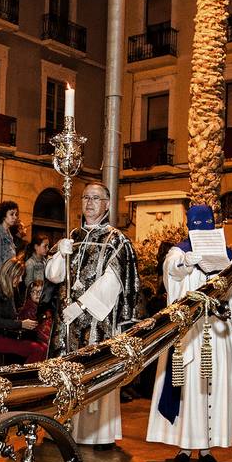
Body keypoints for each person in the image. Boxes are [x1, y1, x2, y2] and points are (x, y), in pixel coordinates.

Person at [146, 204, 232, 462]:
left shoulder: (228, 255)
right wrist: (184, 265)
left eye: (207, 224)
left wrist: (228, 306)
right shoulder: (180, 251)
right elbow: (170, 271)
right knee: (189, 389)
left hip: (217, 334)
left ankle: (208, 448)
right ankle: (185, 447)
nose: (202, 229)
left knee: (213, 388)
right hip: (190, 334)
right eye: (196, 225)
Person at [44, 180, 140, 447]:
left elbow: (113, 282)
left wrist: (82, 306)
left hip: (97, 319)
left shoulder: (116, 240)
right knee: (66, 371)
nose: (89, 203)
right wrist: (57, 256)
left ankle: (98, 434)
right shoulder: (71, 236)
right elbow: (54, 278)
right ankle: (62, 426)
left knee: (94, 371)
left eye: (96, 198)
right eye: (86, 197)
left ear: (107, 205)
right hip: (67, 323)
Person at [0, 257, 47, 364]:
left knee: (43, 348)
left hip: (5, 334)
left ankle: (29, 376)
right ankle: (24, 377)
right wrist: (21, 324)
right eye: (19, 276)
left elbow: (13, 316)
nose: (21, 280)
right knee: (36, 349)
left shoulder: (9, 289)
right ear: (10, 274)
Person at [0, 200, 20, 281]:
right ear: (3, 215)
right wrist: (2, 279)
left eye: (16, 214)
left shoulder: (8, 233)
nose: (15, 217)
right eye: (12, 214)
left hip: (7, 277)